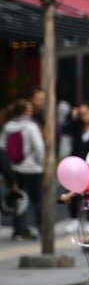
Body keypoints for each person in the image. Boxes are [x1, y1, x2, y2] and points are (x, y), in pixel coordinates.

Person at [1, 99, 43, 240]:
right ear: (25, 111)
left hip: (14, 169)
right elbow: (38, 147)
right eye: (29, 109)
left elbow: (2, 147)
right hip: (32, 169)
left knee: (18, 199)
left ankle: (19, 231)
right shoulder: (31, 126)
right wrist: (40, 163)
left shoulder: (8, 126)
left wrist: (8, 166)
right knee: (37, 200)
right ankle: (41, 227)